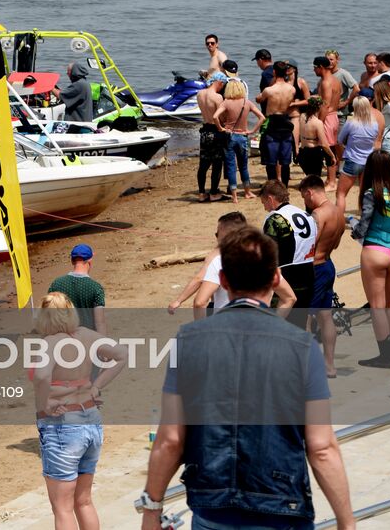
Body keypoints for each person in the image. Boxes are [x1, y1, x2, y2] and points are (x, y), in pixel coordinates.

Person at [140, 227, 355, 530]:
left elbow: (171, 440)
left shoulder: (188, 340)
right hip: (282, 506)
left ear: (224, 281)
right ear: (276, 278)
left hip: (213, 506)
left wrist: (152, 509)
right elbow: (321, 447)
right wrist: (347, 522)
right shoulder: (302, 346)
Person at [31, 292, 129, 530]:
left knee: (62, 507)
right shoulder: (85, 335)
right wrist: (96, 386)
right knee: (83, 501)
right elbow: (122, 354)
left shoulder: (50, 342)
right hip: (90, 418)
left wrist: (44, 404)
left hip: (64, 425)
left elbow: (43, 375)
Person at [175, 212, 297, 318]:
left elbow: (200, 302)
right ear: (276, 276)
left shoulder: (218, 260)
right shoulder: (265, 259)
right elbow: (290, 298)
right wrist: (275, 323)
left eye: (218, 234)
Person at [354, 151, 390, 368]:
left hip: (375, 249)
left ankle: (384, 357)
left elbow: (363, 226)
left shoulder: (372, 192)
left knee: (377, 306)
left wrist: (353, 226)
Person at [300, 176, 344, 377]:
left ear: (310, 192)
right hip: (328, 263)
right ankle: (329, 366)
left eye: (304, 197)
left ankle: (309, 366)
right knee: (325, 316)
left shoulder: (318, 214)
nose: (304, 202)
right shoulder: (338, 212)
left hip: (315, 268)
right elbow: (335, 244)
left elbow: (309, 244)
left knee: (306, 317)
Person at [260, 180, 317, 327]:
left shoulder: (275, 218)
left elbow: (269, 254)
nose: (265, 208)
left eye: (264, 203)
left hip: (287, 275)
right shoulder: (306, 214)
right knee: (300, 324)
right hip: (308, 273)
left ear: (271, 199)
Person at [335, 96, 383, 215]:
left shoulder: (351, 123)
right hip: (368, 160)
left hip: (353, 159)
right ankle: (363, 217)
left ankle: (339, 219)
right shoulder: (374, 124)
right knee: (364, 192)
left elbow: (339, 140)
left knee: (341, 194)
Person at [47, 243, 108, 335]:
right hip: (87, 339)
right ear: (90, 261)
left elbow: (48, 315)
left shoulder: (56, 284)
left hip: (62, 338)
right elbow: (100, 323)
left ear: (72, 261)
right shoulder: (95, 288)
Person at [218, 80, 262, 202]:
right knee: (243, 166)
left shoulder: (226, 102)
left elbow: (215, 116)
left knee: (231, 166)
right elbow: (262, 117)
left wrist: (221, 128)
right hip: (242, 136)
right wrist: (252, 130)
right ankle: (247, 192)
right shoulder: (246, 102)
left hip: (230, 137)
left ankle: (234, 196)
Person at [256, 63, 298, 187]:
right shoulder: (292, 89)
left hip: (272, 122)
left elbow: (259, 99)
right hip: (285, 121)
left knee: (271, 159)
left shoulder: (269, 90)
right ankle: (284, 184)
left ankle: (272, 184)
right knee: (285, 159)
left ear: (274, 72)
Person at [196, 78, 227, 202]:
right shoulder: (217, 97)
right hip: (215, 130)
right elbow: (221, 116)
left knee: (203, 164)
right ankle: (214, 192)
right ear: (219, 82)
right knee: (217, 163)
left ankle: (202, 193)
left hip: (205, 130)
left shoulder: (200, 93)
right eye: (222, 85)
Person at [295, 97, 336, 188]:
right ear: (318, 108)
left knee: (309, 177)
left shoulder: (301, 116)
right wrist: (332, 155)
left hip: (303, 152)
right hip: (314, 154)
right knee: (315, 180)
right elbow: (324, 144)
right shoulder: (317, 123)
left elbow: (297, 132)